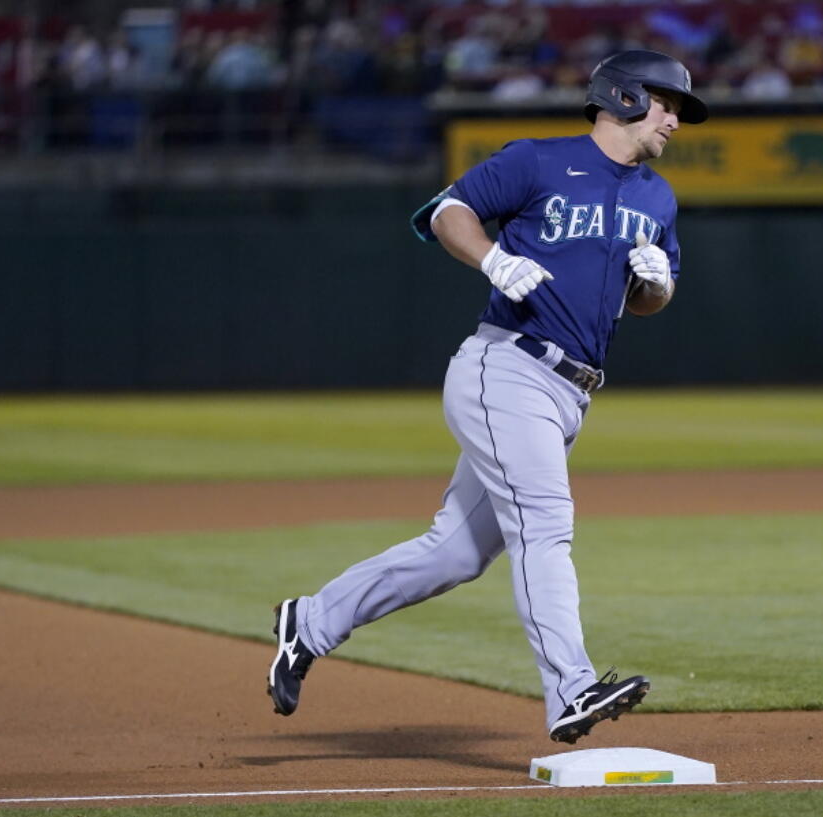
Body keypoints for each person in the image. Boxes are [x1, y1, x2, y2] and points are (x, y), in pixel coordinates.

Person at [268, 50, 707, 745]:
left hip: (572, 391)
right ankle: (571, 689)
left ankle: (311, 620)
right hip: (505, 367)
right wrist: (492, 257)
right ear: (620, 96)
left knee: (454, 554)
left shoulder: (658, 197)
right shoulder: (537, 161)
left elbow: (651, 299)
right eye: (666, 103)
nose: (676, 119)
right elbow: (450, 211)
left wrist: (656, 285)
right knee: (544, 519)